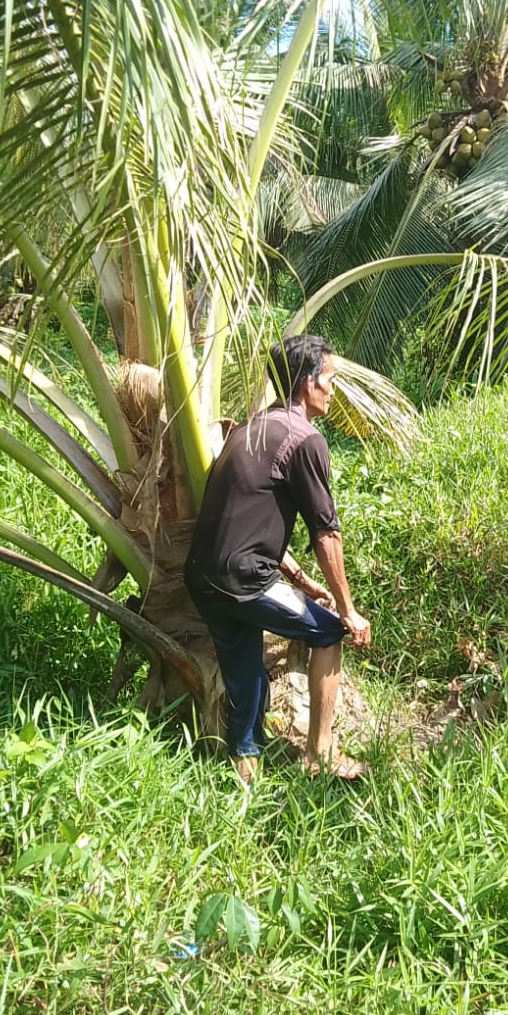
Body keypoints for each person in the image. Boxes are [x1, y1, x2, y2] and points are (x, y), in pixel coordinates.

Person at [184, 334, 373, 783]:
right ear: (307, 383)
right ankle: (320, 754)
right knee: (327, 633)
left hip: (203, 576)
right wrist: (348, 611)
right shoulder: (305, 439)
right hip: (244, 579)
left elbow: (246, 513)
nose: (332, 390)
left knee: (248, 678)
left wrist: (298, 577)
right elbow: (326, 533)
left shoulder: (250, 429)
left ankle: (243, 778)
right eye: (329, 380)